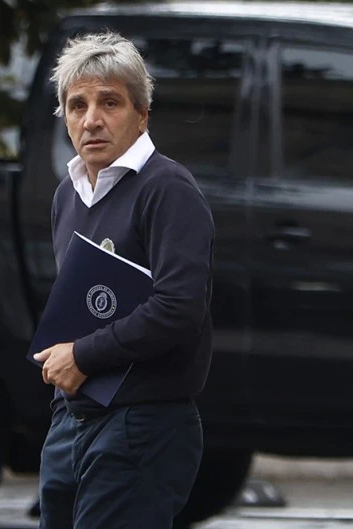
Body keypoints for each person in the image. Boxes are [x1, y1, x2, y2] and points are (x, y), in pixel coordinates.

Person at [31, 31, 215, 529]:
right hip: (72, 421)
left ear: (142, 114)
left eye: (109, 102)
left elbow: (179, 308)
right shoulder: (67, 195)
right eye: (77, 105)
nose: (91, 119)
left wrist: (83, 355)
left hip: (142, 423)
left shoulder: (168, 189)